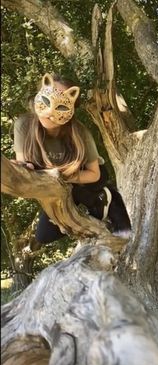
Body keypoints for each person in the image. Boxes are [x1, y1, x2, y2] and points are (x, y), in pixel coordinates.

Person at [12, 72, 131, 245]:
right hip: (54, 186)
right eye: (47, 98)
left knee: (96, 194)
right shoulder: (23, 125)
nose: (50, 110)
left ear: (71, 106)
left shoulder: (80, 132)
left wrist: (60, 175)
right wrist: (23, 169)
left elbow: (95, 174)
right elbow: (24, 165)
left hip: (85, 181)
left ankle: (105, 200)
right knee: (43, 236)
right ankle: (95, 214)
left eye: (60, 105)